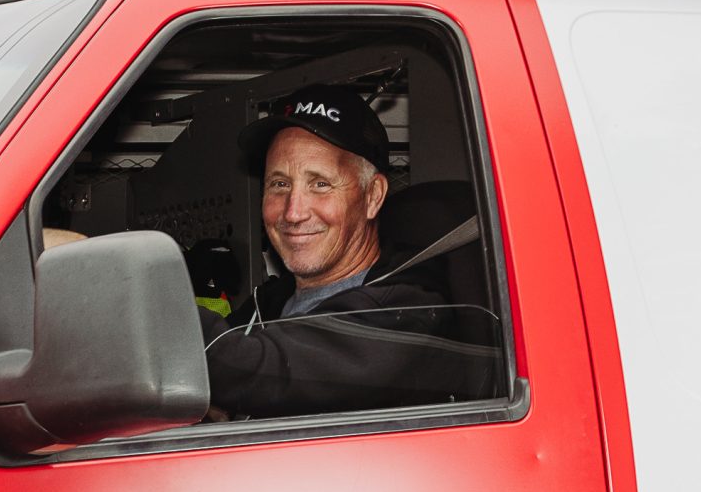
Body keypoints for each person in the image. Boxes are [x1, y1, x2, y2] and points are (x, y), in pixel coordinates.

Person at [198, 86, 495, 419]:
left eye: (320, 184)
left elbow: (257, 370)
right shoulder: (269, 302)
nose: (293, 213)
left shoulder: (405, 312)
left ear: (372, 196)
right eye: (280, 184)